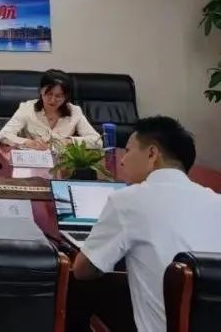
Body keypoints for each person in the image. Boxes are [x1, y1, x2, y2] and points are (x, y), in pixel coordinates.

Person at [73, 116, 221, 332]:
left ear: (152, 154)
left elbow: (82, 270)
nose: (122, 161)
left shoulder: (128, 200)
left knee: (81, 298)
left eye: (128, 151)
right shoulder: (216, 201)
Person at [0, 69, 101, 149]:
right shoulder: (27, 108)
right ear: (41, 91)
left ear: (66, 97)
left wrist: (69, 142)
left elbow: (97, 141)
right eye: (48, 94)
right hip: (33, 164)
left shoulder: (75, 111)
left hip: (62, 165)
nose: (52, 100)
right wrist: (29, 143)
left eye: (58, 96)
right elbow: (3, 135)